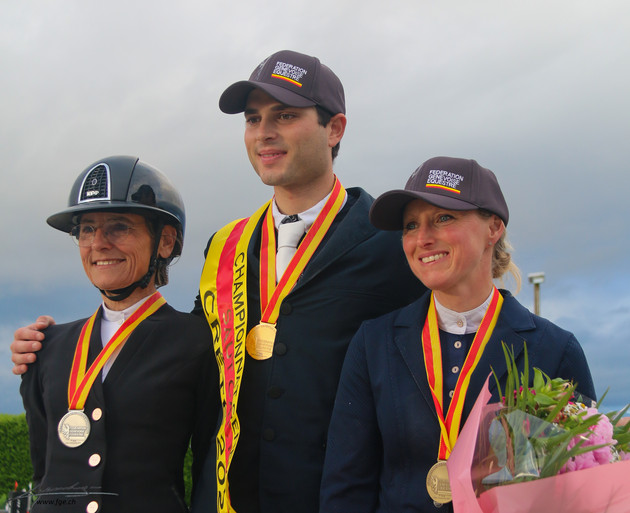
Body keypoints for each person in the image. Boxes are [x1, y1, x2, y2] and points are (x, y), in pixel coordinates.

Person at [11, 51, 426, 513]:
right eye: (253, 119)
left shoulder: (391, 246)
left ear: (335, 129)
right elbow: (190, 344)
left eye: (285, 116)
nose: (264, 132)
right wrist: (57, 348)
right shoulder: (225, 246)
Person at [319, 156, 596, 513]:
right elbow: (346, 488)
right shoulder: (374, 344)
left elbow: (578, 489)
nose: (422, 239)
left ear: (493, 228)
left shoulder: (555, 349)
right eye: (410, 226)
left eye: (443, 218)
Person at [19, 156, 218, 512]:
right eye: (87, 229)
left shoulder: (199, 342)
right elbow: (43, 472)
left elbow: (211, 471)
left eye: (119, 227)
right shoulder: (45, 346)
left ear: (165, 242)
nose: (98, 243)